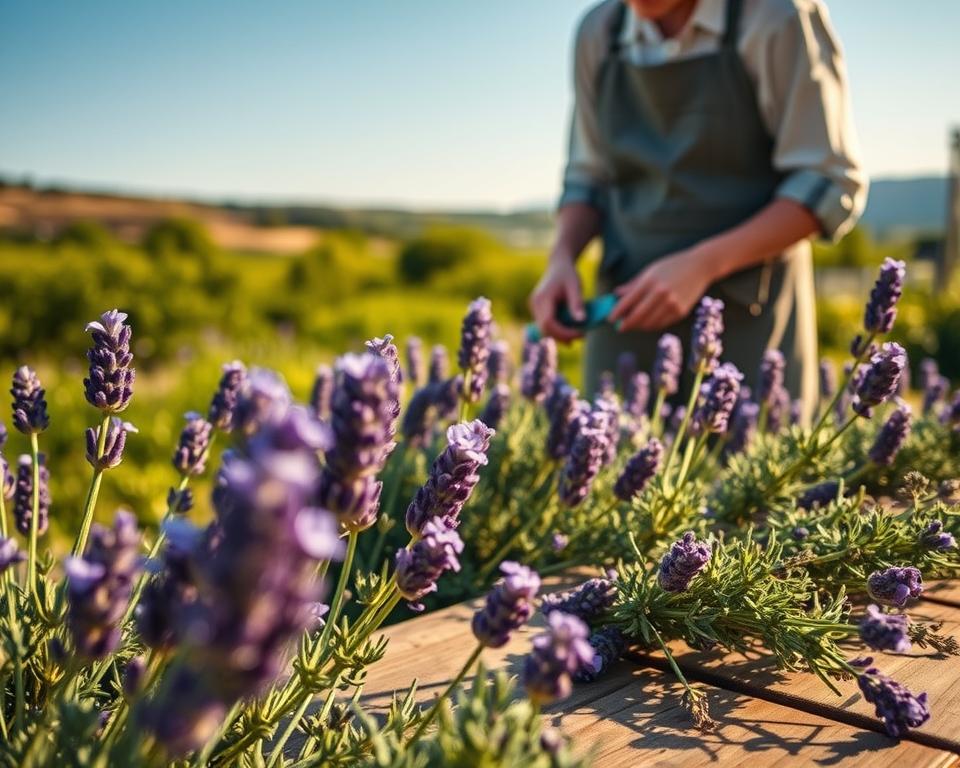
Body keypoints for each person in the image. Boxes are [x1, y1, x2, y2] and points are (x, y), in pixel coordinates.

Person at [529, 0, 866, 417]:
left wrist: (702, 264)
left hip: (747, 315)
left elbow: (826, 184)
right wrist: (561, 258)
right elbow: (588, 176)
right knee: (609, 466)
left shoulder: (775, 16)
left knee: (745, 468)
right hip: (625, 307)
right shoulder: (598, 31)